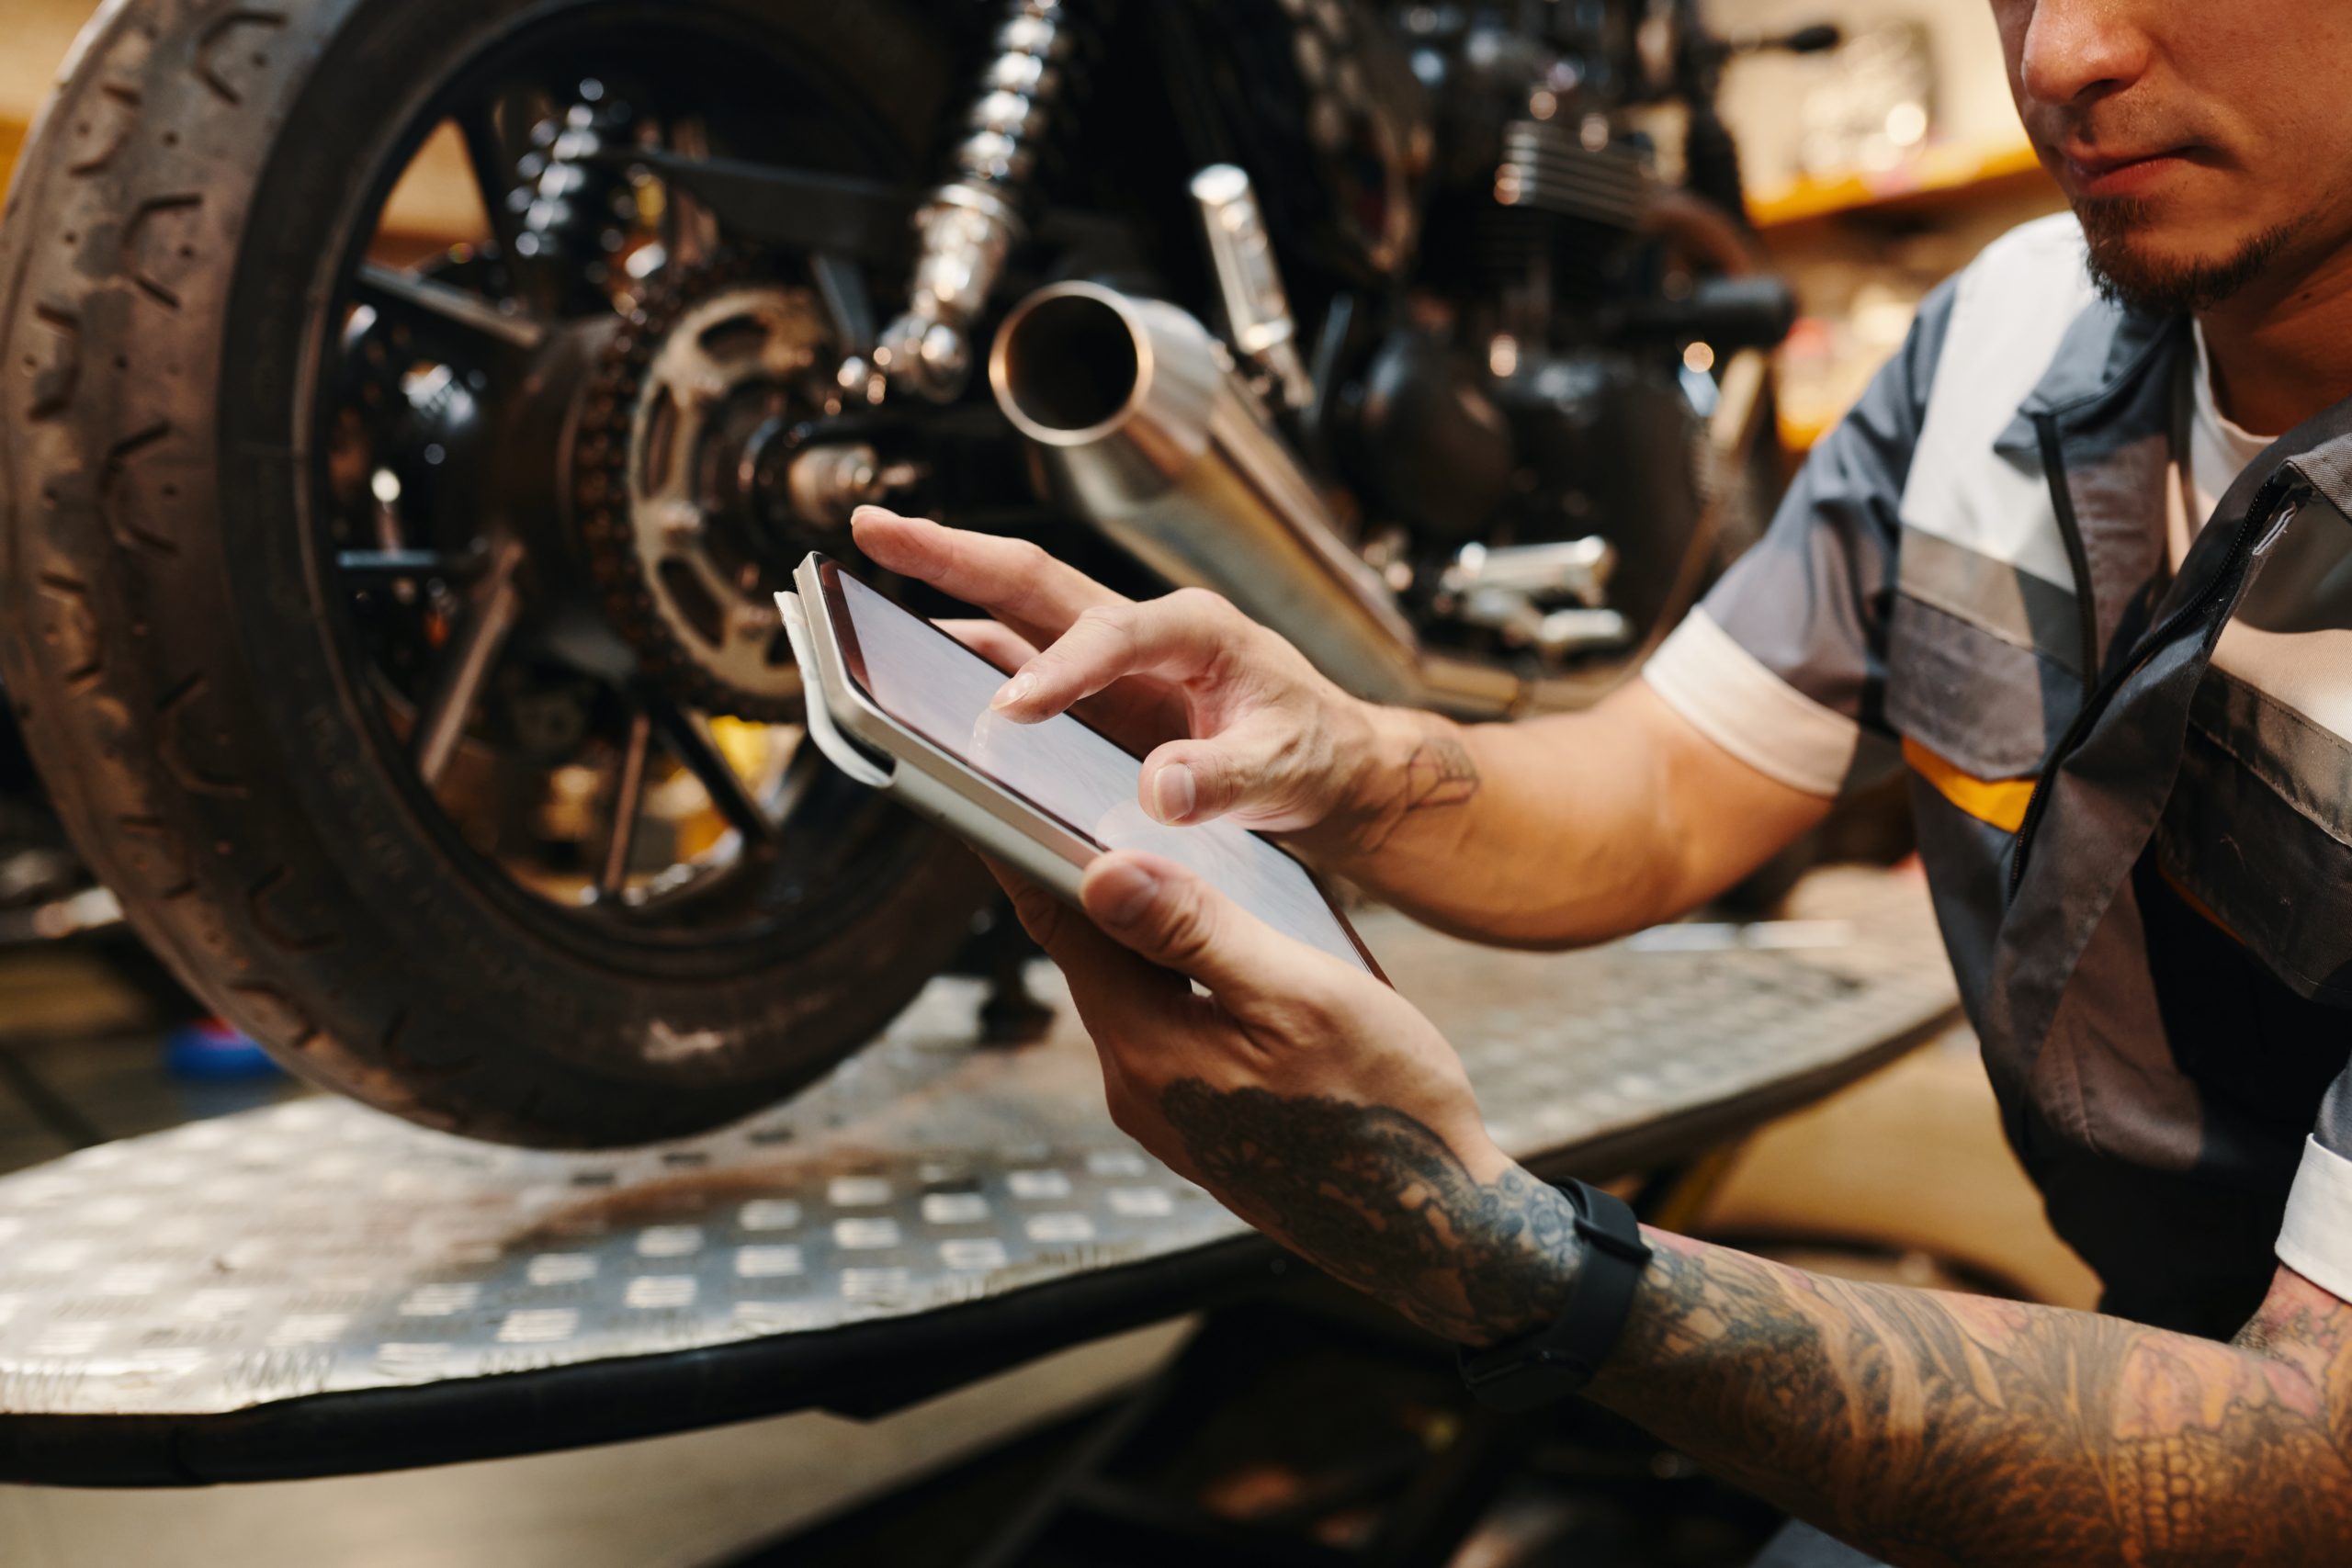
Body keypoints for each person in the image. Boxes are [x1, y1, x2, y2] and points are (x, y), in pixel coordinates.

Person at [854, 0, 2352, 1559]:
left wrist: (1511, 1258)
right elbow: (1666, 786)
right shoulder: (2004, 336)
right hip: (2173, 1341)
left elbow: (2308, 1473)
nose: (2059, 59)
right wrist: (1340, 757)